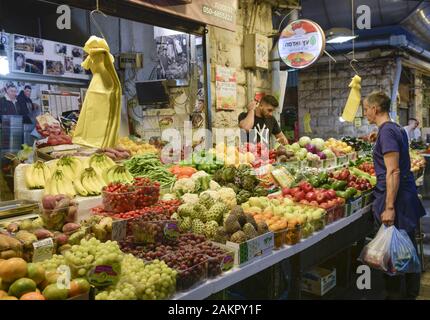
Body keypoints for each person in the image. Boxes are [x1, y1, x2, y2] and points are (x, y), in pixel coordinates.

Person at [363, 91, 425, 300]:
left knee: (393, 254)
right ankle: (410, 294)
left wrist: (389, 207)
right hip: (405, 195)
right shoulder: (394, 128)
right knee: (406, 249)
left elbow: (393, 171)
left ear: (375, 108)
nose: (365, 113)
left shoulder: (388, 132)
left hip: (396, 199)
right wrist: (377, 136)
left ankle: (396, 295)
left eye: (366, 109)